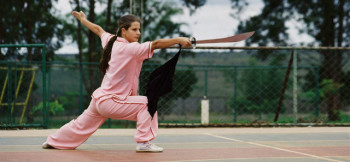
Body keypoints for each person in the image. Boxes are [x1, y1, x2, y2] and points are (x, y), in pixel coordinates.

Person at [42, 11, 192, 152]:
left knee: (80, 125)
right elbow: (156, 44)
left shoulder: (110, 41)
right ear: (123, 31)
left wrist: (83, 20)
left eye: (139, 29)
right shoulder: (131, 49)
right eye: (134, 29)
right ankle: (143, 143)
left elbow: (98, 30)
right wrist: (178, 40)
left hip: (100, 100)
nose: (138, 33)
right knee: (147, 103)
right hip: (112, 101)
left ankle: (53, 141)